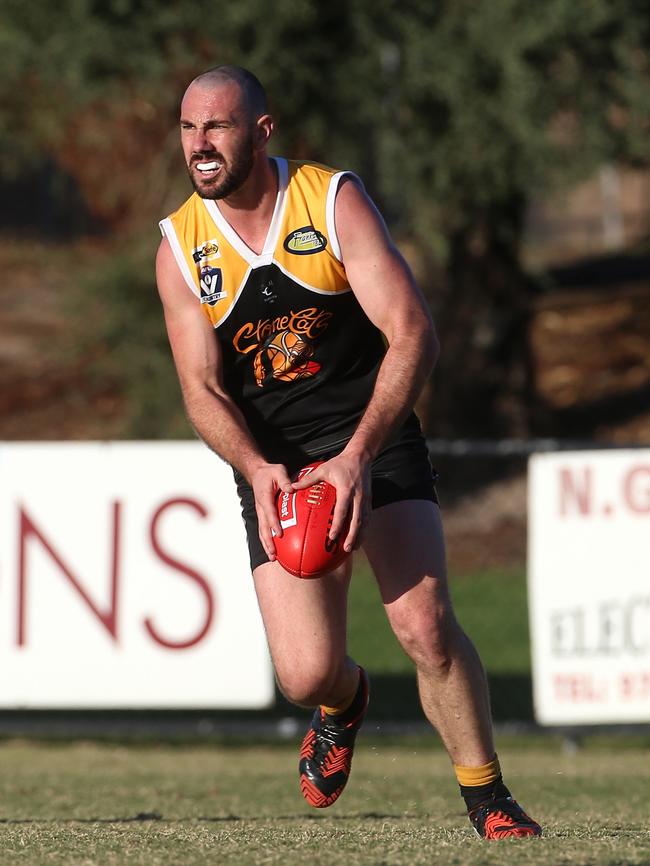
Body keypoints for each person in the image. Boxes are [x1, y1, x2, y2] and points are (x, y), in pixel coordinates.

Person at [155, 64, 542, 840]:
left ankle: (488, 796)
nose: (200, 144)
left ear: (261, 131)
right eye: (190, 127)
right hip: (275, 463)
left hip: (373, 433)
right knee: (302, 673)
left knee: (426, 625)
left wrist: (360, 452)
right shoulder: (178, 246)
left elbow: (412, 333)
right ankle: (344, 702)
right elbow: (201, 389)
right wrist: (259, 470)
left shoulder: (330, 201)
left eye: (219, 126)